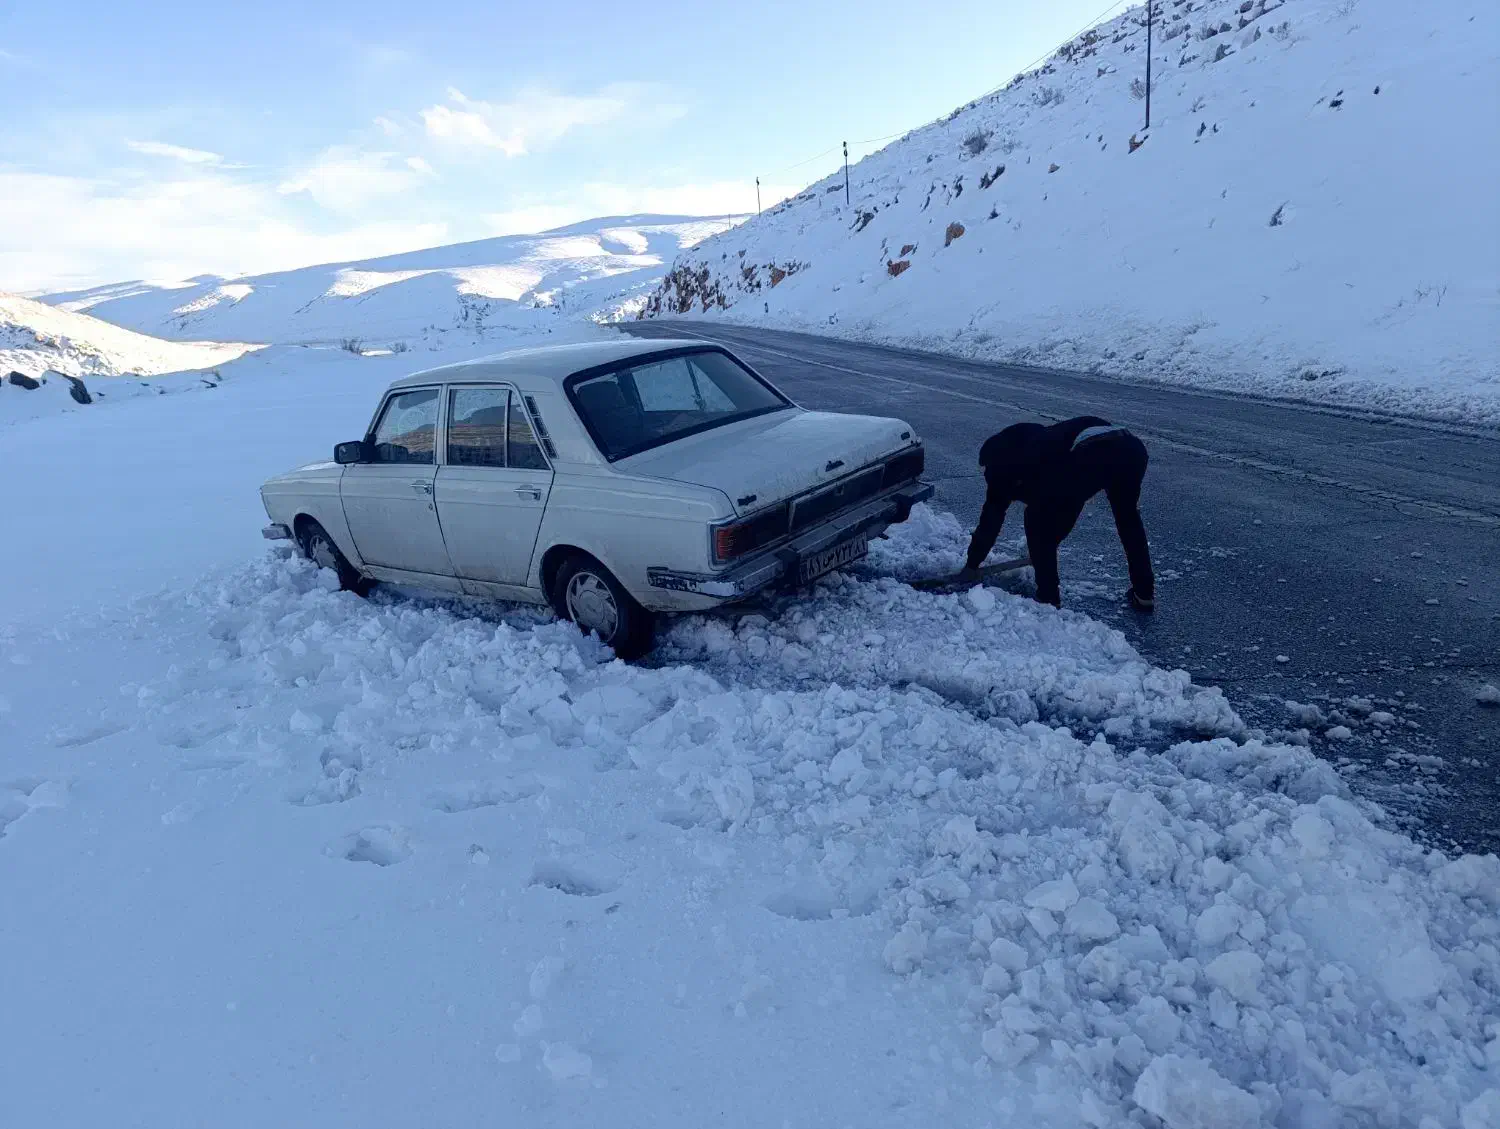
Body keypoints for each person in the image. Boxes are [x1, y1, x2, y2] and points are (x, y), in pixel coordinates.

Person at [962, 415, 1155, 612]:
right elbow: (1068, 501)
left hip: (1092, 451)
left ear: (993, 461)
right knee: (1128, 520)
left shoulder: (1003, 468)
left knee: (1036, 520)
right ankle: (1144, 593)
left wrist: (972, 563)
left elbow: (991, 518)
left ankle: (1048, 597)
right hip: (1131, 448)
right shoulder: (1037, 442)